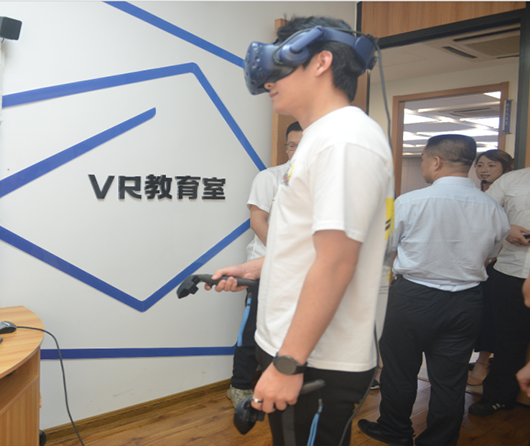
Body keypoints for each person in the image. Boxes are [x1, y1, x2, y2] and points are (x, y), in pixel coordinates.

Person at [208, 16, 394, 446]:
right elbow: (313, 247)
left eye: (280, 65)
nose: (268, 81)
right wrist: (257, 268)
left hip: (317, 361)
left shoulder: (345, 140)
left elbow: (337, 262)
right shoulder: (320, 137)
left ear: (321, 62)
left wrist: (288, 364)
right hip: (298, 349)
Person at [357, 135, 509, 446]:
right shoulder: (493, 208)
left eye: (424, 159)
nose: (424, 165)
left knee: (399, 371)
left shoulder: (408, 202)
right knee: (450, 380)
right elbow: (492, 253)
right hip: (467, 301)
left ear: (436, 161)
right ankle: (439, 441)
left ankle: (395, 431)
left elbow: (384, 248)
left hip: (414, 298)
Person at [227, 122, 303, 408]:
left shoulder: (323, 182)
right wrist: (286, 257)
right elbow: (258, 222)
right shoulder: (269, 177)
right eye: (292, 145)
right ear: (286, 148)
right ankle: (239, 385)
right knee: (253, 329)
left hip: (304, 272)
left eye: (304, 145)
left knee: (294, 331)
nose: (297, 151)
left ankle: (285, 383)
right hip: (266, 268)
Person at [469, 166, 530, 416]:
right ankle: (498, 397)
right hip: (511, 272)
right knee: (507, 339)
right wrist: (506, 227)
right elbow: (480, 210)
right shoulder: (513, 179)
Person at [469, 149, 514, 386]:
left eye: (491, 165)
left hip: (498, 265)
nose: (484, 170)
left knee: (489, 314)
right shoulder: (476, 195)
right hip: (472, 263)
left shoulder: (512, 197)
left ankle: (483, 361)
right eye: (480, 165)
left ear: (507, 169)